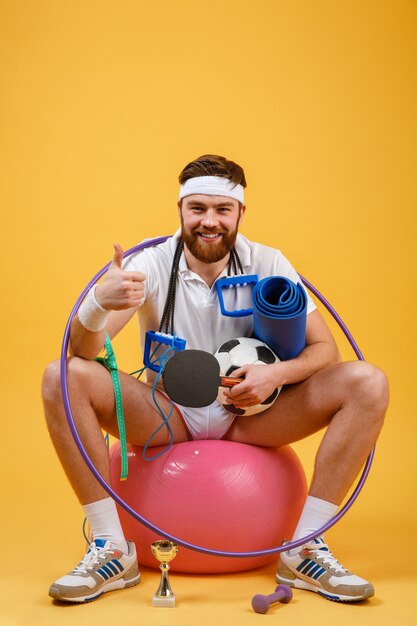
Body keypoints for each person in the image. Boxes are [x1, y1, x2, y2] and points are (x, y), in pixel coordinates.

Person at [42, 154, 388, 604]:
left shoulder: (269, 261)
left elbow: (327, 352)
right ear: (181, 210)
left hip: (251, 418)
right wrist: (98, 303)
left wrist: (275, 374)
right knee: (60, 376)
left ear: (241, 212)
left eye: (223, 210)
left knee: (369, 381)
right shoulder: (149, 263)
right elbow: (83, 352)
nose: (210, 221)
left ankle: (304, 548)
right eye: (198, 208)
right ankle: (111, 547)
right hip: (167, 416)